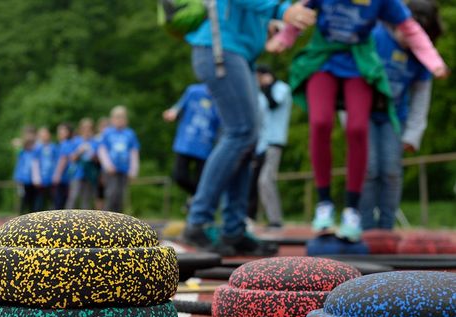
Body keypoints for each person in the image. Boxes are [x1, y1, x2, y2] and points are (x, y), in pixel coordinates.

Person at [267, 0, 448, 241]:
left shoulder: (386, 6)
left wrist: (434, 62)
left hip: (365, 74)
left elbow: (411, 29)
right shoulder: (378, 35)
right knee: (323, 125)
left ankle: (361, 216)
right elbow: (301, 12)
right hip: (325, 58)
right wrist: (284, 38)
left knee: (373, 148)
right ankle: (326, 205)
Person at [181, 0, 315, 256]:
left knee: (246, 138)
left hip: (236, 52)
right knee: (241, 133)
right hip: (220, 49)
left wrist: (271, 25)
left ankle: (233, 228)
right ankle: (198, 221)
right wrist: (282, 11)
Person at [360, 0, 443, 230]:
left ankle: (386, 230)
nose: (409, 41)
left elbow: (420, 97)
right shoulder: (375, 35)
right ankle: (365, 228)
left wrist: (413, 134)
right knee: (369, 169)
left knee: (391, 172)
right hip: (363, 114)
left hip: (394, 118)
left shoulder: (421, 56)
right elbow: (351, 80)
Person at [248, 65, 292, 229]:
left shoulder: (281, 88)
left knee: (265, 180)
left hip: (275, 140)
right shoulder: (260, 94)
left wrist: (267, 86)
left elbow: (274, 104)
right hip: (261, 143)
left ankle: (276, 220)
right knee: (253, 181)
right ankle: (251, 216)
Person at [163, 83, 220, 200]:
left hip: (205, 147)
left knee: (202, 182)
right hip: (186, 143)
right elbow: (179, 107)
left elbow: (222, 124)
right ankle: (196, 197)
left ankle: (196, 205)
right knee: (179, 177)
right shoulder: (194, 91)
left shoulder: (221, 98)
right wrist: (172, 113)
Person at [98, 106, 140, 213]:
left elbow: (134, 152)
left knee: (120, 196)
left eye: (122, 118)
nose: (120, 120)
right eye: (117, 118)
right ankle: (107, 219)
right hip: (111, 170)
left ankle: (119, 222)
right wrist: (108, 165)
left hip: (124, 169)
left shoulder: (130, 134)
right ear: (112, 119)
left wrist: (133, 170)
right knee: (111, 194)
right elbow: (102, 151)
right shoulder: (107, 133)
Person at [65, 118, 99, 209]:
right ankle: (67, 218)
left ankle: (85, 221)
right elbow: (71, 158)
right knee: (73, 196)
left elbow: (98, 160)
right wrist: (80, 151)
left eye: (89, 128)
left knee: (87, 198)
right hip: (77, 173)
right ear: (81, 129)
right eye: (84, 128)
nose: (87, 130)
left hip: (89, 174)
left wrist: (92, 154)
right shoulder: (75, 141)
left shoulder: (95, 142)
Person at [32, 127, 58, 211]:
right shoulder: (37, 148)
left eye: (46, 134)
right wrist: (36, 178)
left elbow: (56, 162)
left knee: (53, 199)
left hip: (51, 178)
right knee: (39, 199)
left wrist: (56, 175)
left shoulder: (53, 147)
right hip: (41, 179)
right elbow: (35, 163)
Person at [13, 130, 37, 214]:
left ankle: (31, 216)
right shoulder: (22, 152)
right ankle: (20, 215)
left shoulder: (34, 152)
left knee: (32, 199)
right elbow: (15, 142)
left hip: (32, 180)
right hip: (23, 180)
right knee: (23, 199)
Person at [52, 122, 74, 209]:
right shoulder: (63, 144)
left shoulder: (65, 144)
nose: (60, 132)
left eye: (62, 130)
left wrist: (57, 175)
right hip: (65, 178)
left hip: (64, 178)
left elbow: (63, 160)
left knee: (59, 201)